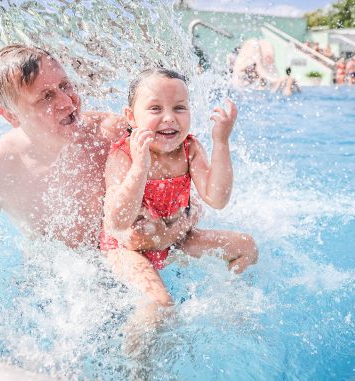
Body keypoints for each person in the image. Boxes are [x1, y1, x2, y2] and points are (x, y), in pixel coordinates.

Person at [0, 45, 197, 337]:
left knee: (159, 318)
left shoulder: (111, 135)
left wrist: (173, 229)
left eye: (65, 85)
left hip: (134, 262)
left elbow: (184, 188)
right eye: (45, 97)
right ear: (11, 116)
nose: (66, 101)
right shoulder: (1, 168)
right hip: (61, 285)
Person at [101, 68, 258, 313]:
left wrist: (221, 142)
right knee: (160, 305)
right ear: (131, 117)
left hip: (176, 238)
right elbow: (118, 222)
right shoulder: (124, 155)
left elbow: (217, 199)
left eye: (179, 107)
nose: (169, 118)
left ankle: (230, 307)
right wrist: (140, 168)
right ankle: (133, 352)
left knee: (246, 247)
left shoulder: (189, 148)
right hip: (127, 249)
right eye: (155, 109)